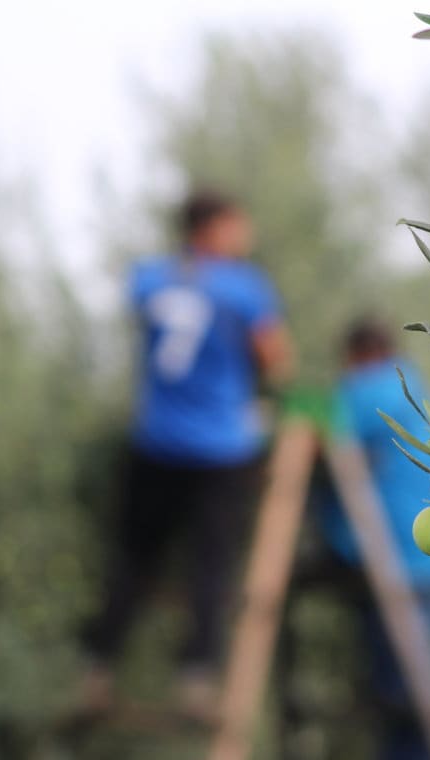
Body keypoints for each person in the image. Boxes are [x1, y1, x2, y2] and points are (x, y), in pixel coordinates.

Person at [80, 190, 294, 718]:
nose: (246, 236)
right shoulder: (244, 287)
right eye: (237, 225)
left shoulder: (149, 278)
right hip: (220, 448)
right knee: (211, 566)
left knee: (132, 560)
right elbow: (275, 359)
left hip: (155, 442)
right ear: (212, 228)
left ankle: (96, 668)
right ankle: (196, 678)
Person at [311, 317, 430, 760]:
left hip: (396, 559)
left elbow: (321, 430)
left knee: (405, 699)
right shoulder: (417, 388)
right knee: (415, 691)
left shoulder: (370, 388)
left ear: (359, 354)